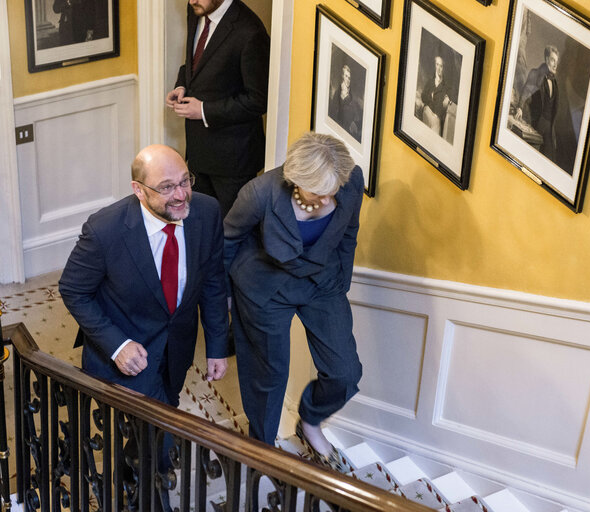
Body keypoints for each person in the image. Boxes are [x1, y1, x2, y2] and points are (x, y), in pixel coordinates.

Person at [59, 145, 229, 509]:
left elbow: (214, 280)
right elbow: (73, 289)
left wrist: (216, 344)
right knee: (159, 437)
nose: (181, 194)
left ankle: (128, 473)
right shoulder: (105, 230)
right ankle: (150, 499)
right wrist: (117, 345)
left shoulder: (207, 212)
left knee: (154, 426)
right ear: (139, 190)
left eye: (185, 180)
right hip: (126, 352)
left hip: (177, 348)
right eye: (167, 187)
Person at [224, 132, 364, 472]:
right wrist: (226, 302)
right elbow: (227, 242)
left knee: (344, 371)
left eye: (333, 190)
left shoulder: (351, 180)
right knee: (268, 375)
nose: (328, 197)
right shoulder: (259, 194)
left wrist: (340, 283)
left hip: (322, 284)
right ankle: (262, 450)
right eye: (319, 192)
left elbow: (349, 233)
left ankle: (310, 421)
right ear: (296, 181)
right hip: (265, 286)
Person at [166, 0, 270, 218]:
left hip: (233, 162)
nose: (191, 1)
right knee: (200, 224)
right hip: (198, 153)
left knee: (231, 234)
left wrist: (203, 110)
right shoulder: (196, 9)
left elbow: (258, 101)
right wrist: (181, 85)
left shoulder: (250, 32)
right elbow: (194, 62)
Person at [515, 45, 559, 161]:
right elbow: (526, 91)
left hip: (549, 128)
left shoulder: (555, 83)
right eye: (553, 60)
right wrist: (519, 107)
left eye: (557, 61)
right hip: (537, 124)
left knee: (549, 160)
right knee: (531, 158)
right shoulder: (535, 74)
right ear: (546, 59)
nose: (555, 64)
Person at [328, 64, 362, 142]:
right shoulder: (338, 91)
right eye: (346, 76)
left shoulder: (353, 93)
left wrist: (353, 123)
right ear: (343, 76)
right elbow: (333, 112)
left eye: (349, 78)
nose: (348, 80)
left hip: (350, 130)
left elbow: (357, 112)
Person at [421, 55, 451, 136]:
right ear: (434, 66)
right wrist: (431, 102)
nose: (438, 68)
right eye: (437, 65)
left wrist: (432, 97)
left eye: (441, 66)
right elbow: (423, 96)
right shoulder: (430, 82)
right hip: (427, 112)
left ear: (443, 68)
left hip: (437, 118)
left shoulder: (445, 87)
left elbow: (442, 107)